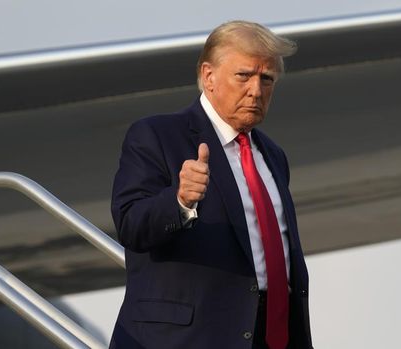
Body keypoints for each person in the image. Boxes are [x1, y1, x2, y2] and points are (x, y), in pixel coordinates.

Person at [109, 20, 312, 349]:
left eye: (267, 79)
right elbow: (131, 226)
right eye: (244, 75)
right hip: (188, 338)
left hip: (269, 335)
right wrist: (179, 201)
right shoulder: (157, 135)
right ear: (208, 76)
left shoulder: (273, 155)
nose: (256, 90)